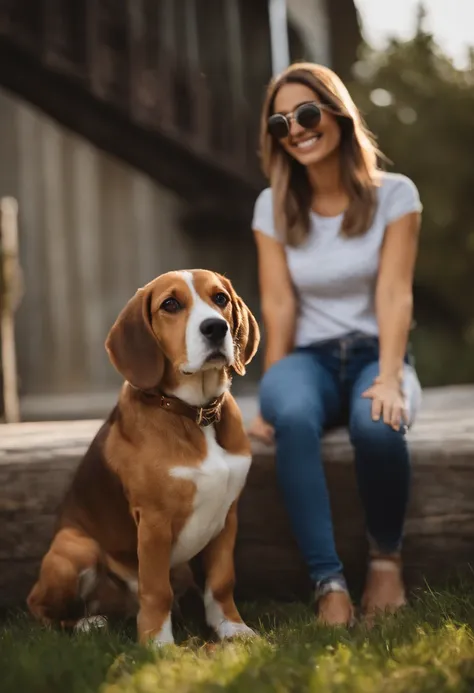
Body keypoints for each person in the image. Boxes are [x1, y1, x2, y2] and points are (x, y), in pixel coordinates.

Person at [248, 62, 423, 627]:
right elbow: (278, 305)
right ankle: (329, 584)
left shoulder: (396, 195)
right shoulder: (271, 206)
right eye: (281, 122)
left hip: (379, 350)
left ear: (338, 114)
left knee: (377, 426)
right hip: (309, 360)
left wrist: (391, 376)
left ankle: (385, 561)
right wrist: (273, 387)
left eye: (306, 113)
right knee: (294, 417)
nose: (295, 129)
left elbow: (396, 294)